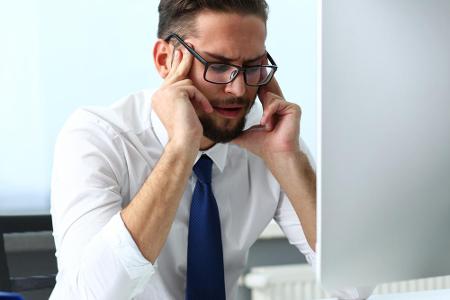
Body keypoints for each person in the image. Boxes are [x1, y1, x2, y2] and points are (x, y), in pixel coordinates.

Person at [50, 1, 373, 299]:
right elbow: (92, 294)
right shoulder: (98, 136)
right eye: (218, 66)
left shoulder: (270, 139)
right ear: (166, 60)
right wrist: (181, 149)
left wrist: (289, 159)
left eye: (252, 67)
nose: (239, 89)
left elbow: (355, 287)